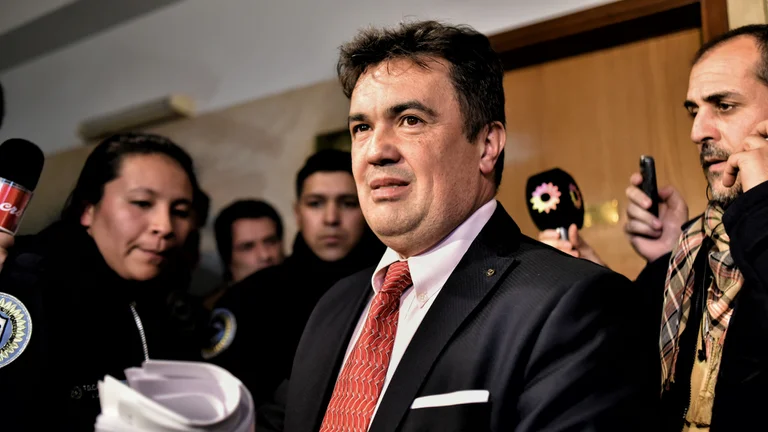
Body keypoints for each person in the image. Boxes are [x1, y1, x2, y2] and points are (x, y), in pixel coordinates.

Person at [258, 20, 656, 432]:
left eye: (410, 120)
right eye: (362, 128)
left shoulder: (574, 304)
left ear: (487, 146)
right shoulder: (335, 305)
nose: (376, 150)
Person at [539, 24, 768, 431]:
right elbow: (640, 368)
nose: (697, 132)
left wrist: (762, 204)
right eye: (694, 111)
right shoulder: (696, 245)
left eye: (724, 106)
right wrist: (656, 261)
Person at [0, 132, 208, 430]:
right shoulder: (29, 279)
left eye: (180, 211)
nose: (165, 226)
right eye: (141, 203)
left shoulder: (169, 300)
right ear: (88, 209)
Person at [205, 149, 385, 408]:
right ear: (298, 213)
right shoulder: (250, 296)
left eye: (347, 203)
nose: (331, 218)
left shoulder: (395, 286)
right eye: (316, 203)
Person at [203, 199, 285, 309]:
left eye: (271, 242)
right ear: (227, 257)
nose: (264, 255)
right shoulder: (214, 310)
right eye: (247, 247)